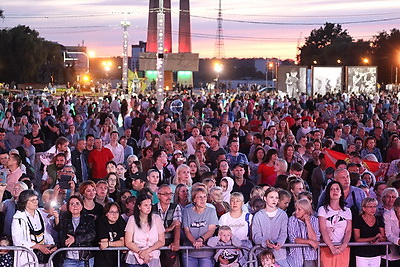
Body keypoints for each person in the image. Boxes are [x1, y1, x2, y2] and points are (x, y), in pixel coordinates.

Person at [124, 194, 165, 267]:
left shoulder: (156, 218)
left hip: (153, 256)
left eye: (150, 205)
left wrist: (148, 251)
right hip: (135, 257)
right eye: (145, 205)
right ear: (139, 206)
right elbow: (128, 242)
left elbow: (161, 241)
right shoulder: (132, 219)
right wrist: (141, 253)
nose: (149, 207)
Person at [318, 181, 352, 267]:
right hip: (327, 248)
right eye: (332, 189)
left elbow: (348, 231)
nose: (335, 191)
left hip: (343, 248)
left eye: (337, 189)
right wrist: (331, 247)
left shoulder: (347, 211)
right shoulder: (322, 209)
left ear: (341, 193)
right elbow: (323, 229)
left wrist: (344, 245)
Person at [252, 187, 289, 267]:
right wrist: (265, 242)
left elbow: (283, 233)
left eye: (276, 198)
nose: (274, 200)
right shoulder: (258, 216)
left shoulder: (282, 215)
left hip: (279, 255)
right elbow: (256, 235)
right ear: (265, 198)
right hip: (263, 256)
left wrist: (279, 243)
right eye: (271, 197)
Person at [182, 187, 218, 267]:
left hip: (206, 253)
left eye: (205, 197)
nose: (203, 199)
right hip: (189, 252)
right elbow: (186, 230)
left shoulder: (211, 211)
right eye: (200, 197)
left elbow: (211, 230)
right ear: (194, 199)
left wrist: (200, 240)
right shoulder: (187, 211)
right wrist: (195, 242)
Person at [57, 195, 96, 267]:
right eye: (72, 204)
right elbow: (58, 229)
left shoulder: (89, 219)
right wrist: (56, 217)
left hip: (85, 258)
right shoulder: (64, 219)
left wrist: (75, 239)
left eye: (77, 203)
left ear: (82, 205)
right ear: (68, 207)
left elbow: (92, 235)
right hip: (68, 258)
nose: (75, 206)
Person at [152, 185, 181, 267]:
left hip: (169, 243)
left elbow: (177, 225)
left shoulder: (175, 207)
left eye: (170, 194)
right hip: (154, 243)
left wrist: (176, 242)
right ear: (158, 195)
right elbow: (152, 228)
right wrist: (168, 229)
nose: (169, 197)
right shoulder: (152, 208)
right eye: (165, 194)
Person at [353, 197, 385, 267]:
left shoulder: (379, 219)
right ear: (364, 208)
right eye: (370, 207)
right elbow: (357, 239)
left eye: (374, 206)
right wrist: (373, 238)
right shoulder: (358, 220)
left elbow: (383, 237)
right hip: (361, 254)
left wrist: (378, 239)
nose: (373, 209)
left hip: (376, 253)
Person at [287, 198, 320, 267]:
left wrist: (308, 223)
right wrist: (309, 242)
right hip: (295, 257)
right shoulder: (292, 220)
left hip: (310, 256)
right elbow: (293, 238)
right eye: (296, 209)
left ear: (306, 210)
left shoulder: (315, 220)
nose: (296, 212)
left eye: (299, 209)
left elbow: (315, 239)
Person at [95, 202, 126, 267]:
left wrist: (109, 244)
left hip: (117, 259)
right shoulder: (101, 222)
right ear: (106, 213)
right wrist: (117, 243)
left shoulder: (121, 222)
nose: (114, 214)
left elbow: (123, 243)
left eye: (117, 212)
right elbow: (103, 243)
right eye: (111, 212)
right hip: (103, 259)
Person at [382, 196, 400, 266]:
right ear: (395, 208)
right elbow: (388, 234)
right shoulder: (387, 215)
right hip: (388, 254)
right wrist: (398, 241)